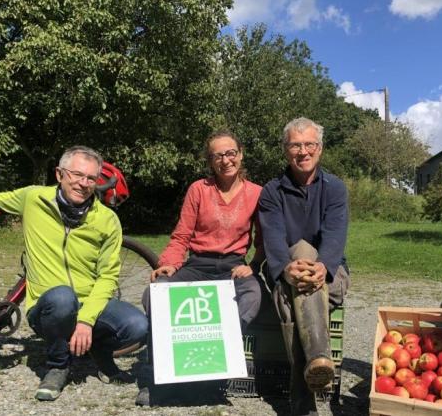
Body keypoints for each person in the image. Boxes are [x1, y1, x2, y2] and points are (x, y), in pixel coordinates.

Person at [0, 146, 149, 401]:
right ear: (60, 174)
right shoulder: (34, 198)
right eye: (77, 175)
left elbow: (107, 277)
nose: (83, 183)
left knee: (138, 326)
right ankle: (58, 365)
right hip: (48, 305)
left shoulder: (107, 220)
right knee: (62, 298)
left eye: (91, 178)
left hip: (87, 300)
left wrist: (85, 321)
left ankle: (99, 352)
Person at [136, 129, 263, 405]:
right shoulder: (199, 189)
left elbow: (264, 242)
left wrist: (252, 266)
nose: (225, 160)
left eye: (231, 153)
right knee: (156, 294)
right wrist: (168, 264)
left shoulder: (256, 194)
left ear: (240, 155)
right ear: (210, 161)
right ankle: (160, 378)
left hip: (232, 267)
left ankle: (214, 367)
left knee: (252, 295)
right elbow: (182, 235)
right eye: (218, 155)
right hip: (198, 264)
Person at [258, 117, 351, 416]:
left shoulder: (335, 188)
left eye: (309, 144)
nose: (303, 151)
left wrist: (322, 266)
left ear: (320, 149)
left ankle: (302, 402)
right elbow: (272, 238)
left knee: (294, 292)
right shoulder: (272, 191)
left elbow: (335, 237)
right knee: (295, 262)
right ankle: (320, 361)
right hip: (287, 273)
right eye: (296, 145)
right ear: (286, 150)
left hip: (330, 273)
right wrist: (286, 269)